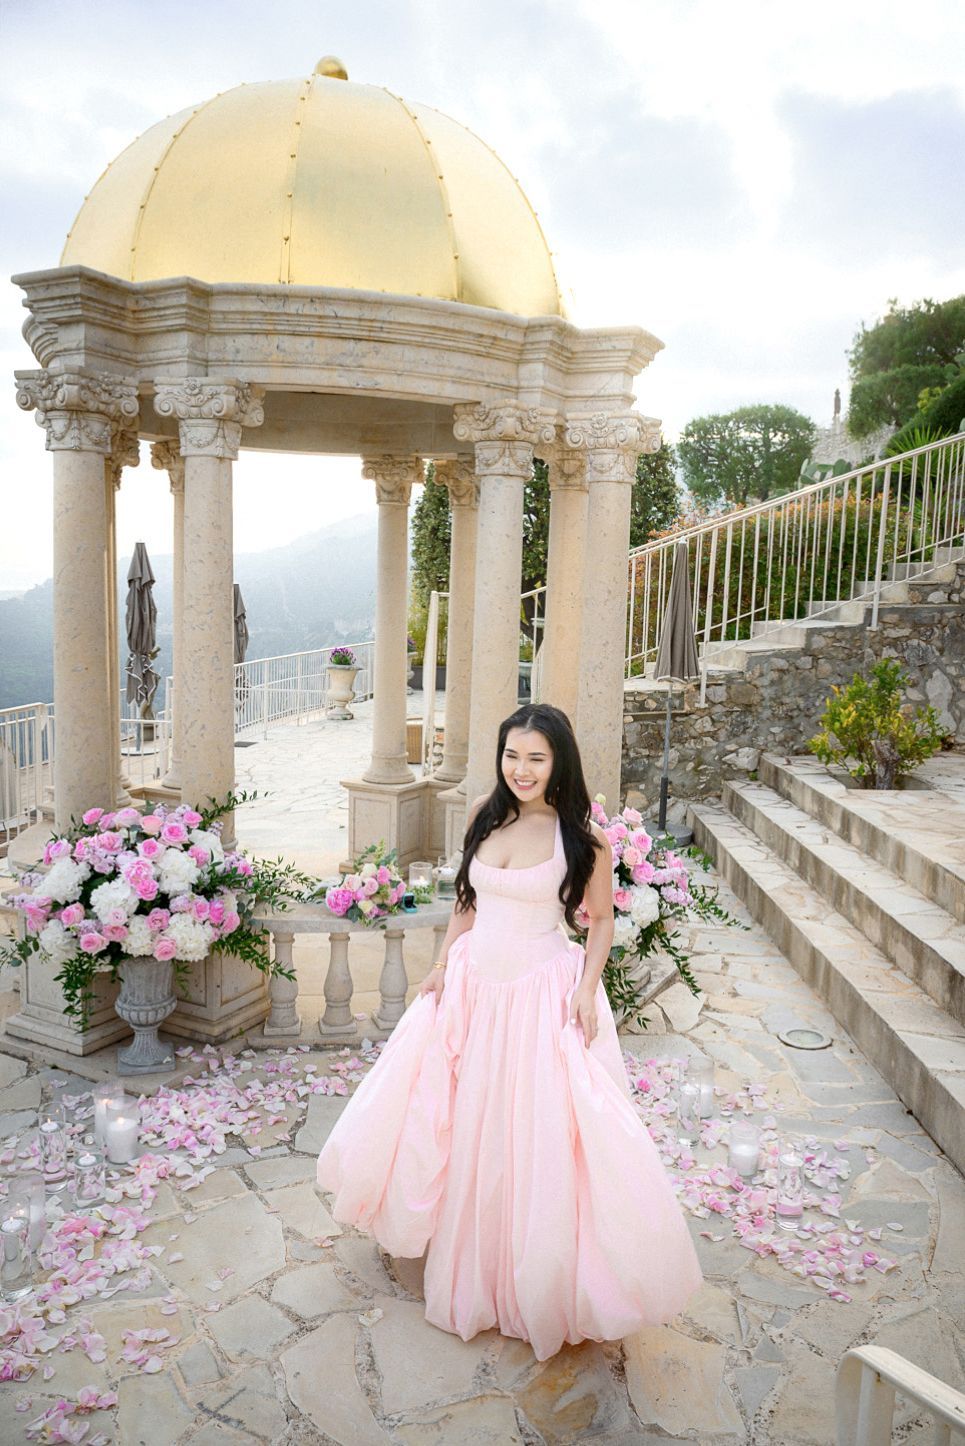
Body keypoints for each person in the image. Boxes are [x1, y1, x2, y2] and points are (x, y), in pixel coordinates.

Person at [317, 703, 702, 1361]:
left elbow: (601, 921)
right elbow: (467, 902)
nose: (520, 769)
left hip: (537, 992)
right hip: (473, 986)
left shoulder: (580, 839)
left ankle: (530, 1268)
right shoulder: (483, 817)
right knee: (457, 1117)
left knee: (531, 1131)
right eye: (511, 755)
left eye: (536, 757)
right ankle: (463, 1240)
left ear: (558, 763)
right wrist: (441, 964)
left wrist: (585, 988)